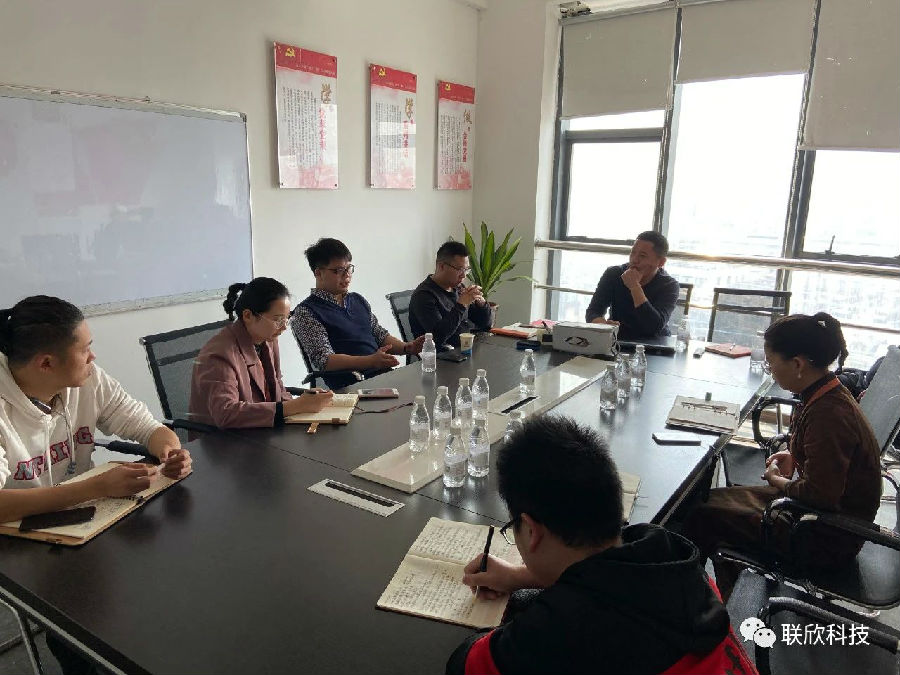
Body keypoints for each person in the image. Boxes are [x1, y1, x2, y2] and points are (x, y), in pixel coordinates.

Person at [447, 415, 755, 675]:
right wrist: (518, 577)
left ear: (530, 530)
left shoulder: (560, 630)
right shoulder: (671, 554)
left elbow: (465, 664)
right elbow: (610, 581)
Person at [0, 295, 193, 675]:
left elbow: (148, 426)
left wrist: (170, 451)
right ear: (46, 363)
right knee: (88, 634)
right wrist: (96, 487)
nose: (93, 357)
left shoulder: (87, 380)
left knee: (156, 594)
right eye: (85, 349)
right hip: (19, 538)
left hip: (85, 524)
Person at [680, 312, 882, 601]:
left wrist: (778, 481)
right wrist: (794, 453)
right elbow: (826, 457)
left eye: (771, 362)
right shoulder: (826, 392)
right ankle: (726, 596)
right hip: (818, 515)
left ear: (798, 364)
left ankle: (699, 606)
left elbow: (820, 494)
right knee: (704, 502)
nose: (770, 370)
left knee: (701, 517)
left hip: (825, 535)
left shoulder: (828, 415)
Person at [190, 277, 333, 429]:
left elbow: (277, 385)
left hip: (262, 430)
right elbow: (226, 413)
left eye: (287, 318)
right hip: (225, 439)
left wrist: (304, 403)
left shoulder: (268, 340)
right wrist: (295, 406)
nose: (284, 327)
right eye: (278, 320)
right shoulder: (219, 354)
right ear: (248, 316)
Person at [290, 238, 424, 389]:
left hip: (382, 379)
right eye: (338, 270)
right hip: (351, 387)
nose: (347, 275)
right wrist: (371, 361)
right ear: (318, 273)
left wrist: (407, 348)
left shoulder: (357, 300)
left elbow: (380, 335)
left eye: (349, 268)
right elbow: (325, 360)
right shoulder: (306, 312)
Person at [585, 231, 679, 340]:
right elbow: (593, 311)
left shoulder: (670, 285)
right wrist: (603, 326)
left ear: (661, 262)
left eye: (642, 256)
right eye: (633, 253)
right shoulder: (614, 274)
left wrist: (634, 287)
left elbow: (654, 327)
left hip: (654, 343)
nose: (634, 260)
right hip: (619, 340)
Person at [409, 240, 492, 349]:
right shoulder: (424, 296)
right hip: (443, 355)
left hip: (467, 348)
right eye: (460, 269)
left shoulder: (458, 288)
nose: (464, 276)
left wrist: (481, 305)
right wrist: (461, 305)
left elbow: (485, 325)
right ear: (441, 266)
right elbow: (438, 338)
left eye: (466, 270)